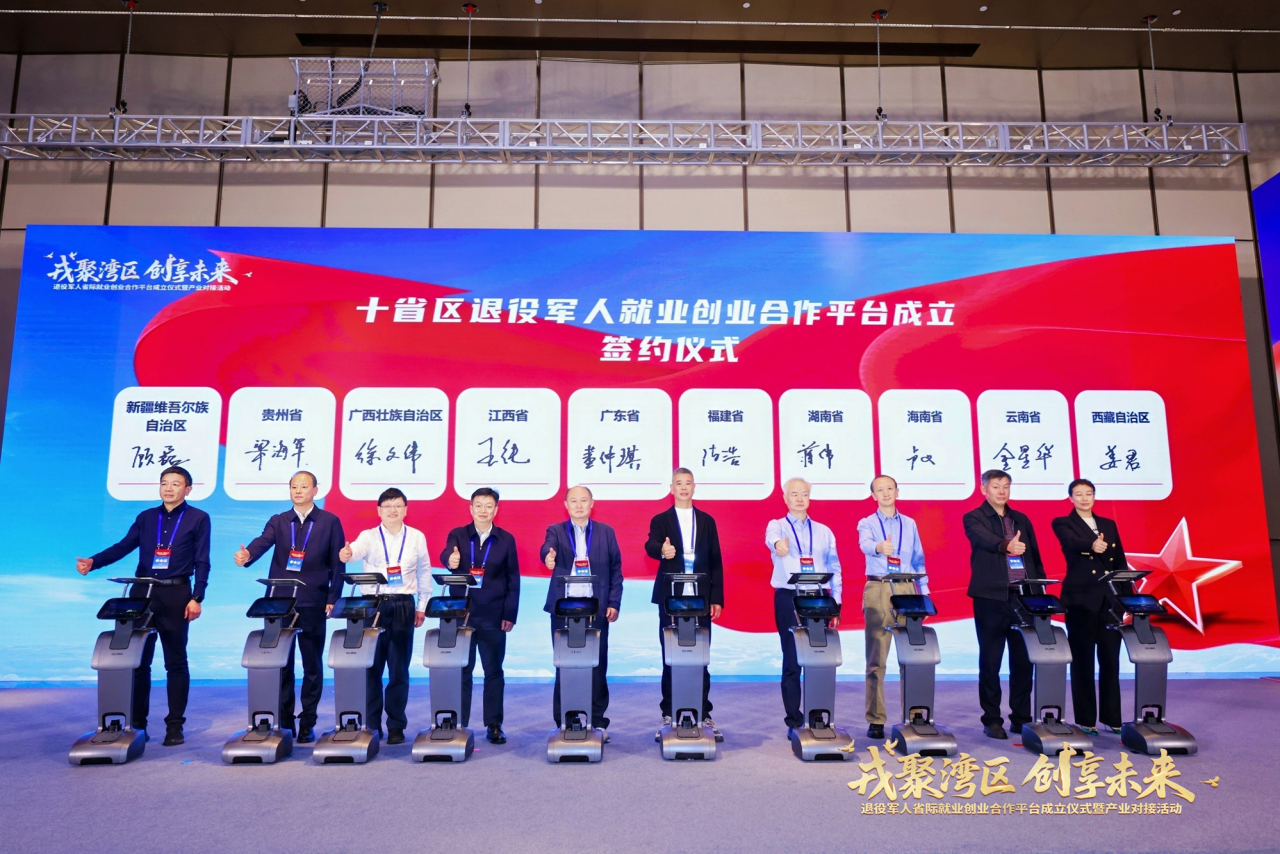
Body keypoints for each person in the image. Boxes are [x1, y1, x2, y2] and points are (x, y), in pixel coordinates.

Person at [76, 465, 210, 746]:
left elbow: (202, 560)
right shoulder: (146, 517)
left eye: (175, 484)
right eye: (164, 483)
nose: (169, 488)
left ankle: (175, 727)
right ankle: (138, 726)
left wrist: (197, 597)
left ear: (187, 489)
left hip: (176, 594)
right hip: (142, 594)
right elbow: (123, 546)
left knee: (175, 662)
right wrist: (94, 561)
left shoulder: (198, 518)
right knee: (138, 662)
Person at [234, 471, 345, 744]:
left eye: (303, 486)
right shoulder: (279, 520)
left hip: (313, 600)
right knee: (281, 664)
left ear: (315, 490)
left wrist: (333, 597)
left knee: (311, 665)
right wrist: (248, 554)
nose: (298, 491)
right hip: (279, 603)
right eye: (294, 486)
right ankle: (284, 721)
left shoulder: (330, 521)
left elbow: (337, 563)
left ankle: (308, 722)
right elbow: (262, 542)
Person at [337, 488, 429, 744]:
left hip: (402, 605)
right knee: (371, 668)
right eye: (387, 506)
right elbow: (354, 551)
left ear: (405, 509)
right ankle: (372, 725)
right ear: (379, 511)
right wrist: (347, 554)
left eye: (397, 505)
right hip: (372, 607)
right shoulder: (368, 536)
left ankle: (397, 726)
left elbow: (424, 572)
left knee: (399, 670)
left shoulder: (416, 537)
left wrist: (422, 606)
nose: (392, 510)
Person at [962, 469, 1045, 740]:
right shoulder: (974, 517)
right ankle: (992, 719)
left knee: (1023, 661)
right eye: (996, 486)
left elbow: (1034, 558)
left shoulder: (1021, 519)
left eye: (1006, 486)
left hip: (1022, 598)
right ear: (984, 489)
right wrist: (1006, 545)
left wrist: (1039, 593)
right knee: (991, 661)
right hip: (991, 598)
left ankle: (1021, 718)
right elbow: (982, 539)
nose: (1001, 491)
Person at [644, 467, 724, 739]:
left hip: (701, 597)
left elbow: (716, 560)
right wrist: (661, 550)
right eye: (678, 483)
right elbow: (650, 545)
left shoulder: (707, 520)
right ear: (671, 488)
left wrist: (717, 598)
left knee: (701, 657)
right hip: (671, 597)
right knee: (671, 657)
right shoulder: (661, 519)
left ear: (694, 487)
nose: (683, 487)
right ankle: (668, 713)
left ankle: (703, 713)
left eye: (688, 483)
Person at [539, 485, 624, 740]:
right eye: (573, 501)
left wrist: (614, 602)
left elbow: (616, 569)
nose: (578, 505)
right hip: (564, 608)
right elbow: (547, 548)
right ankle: (564, 721)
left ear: (591, 503)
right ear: (566, 505)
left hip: (596, 608)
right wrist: (548, 557)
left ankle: (598, 722)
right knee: (564, 665)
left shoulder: (606, 532)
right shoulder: (556, 530)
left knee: (597, 666)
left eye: (583, 500)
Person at [439, 487, 520, 744]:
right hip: (461, 614)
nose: (483, 510)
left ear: (496, 510)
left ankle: (494, 724)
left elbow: (513, 579)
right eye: (478, 505)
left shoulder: (506, 539)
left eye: (488, 506)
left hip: (493, 615)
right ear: (471, 508)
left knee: (493, 671)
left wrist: (510, 613)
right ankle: (458, 722)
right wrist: (450, 561)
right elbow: (446, 555)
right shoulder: (458, 534)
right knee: (462, 669)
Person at [765, 477, 842, 734]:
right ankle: (794, 721)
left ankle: (818, 715)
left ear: (809, 497)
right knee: (792, 660)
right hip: (789, 597)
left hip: (818, 597)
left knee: (819, 658)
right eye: (794, 494)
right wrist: (779, 546)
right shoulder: (777, 526)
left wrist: (837, 601)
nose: (800, 498)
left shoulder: (824, 531)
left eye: (804, 494)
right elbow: (772, 540)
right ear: (785, 498)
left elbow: (834, 568)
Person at [1051, 478, 1127, 736]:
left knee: (1110, 661)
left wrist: (1127, 598)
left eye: (1089, 493)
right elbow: (1071, 542)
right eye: (1079, 494)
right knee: (1082, 662)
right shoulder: (1063, 523)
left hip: (1109, 601)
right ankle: (1086, 720)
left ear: (1094, 496)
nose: (1084, 498)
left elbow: (1120, 562)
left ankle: (1112, 718)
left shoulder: (1108, 524)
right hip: (1080, 600)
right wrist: (1092, 544)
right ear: (1070, 498)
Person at [856, 474, 928, 740]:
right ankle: (876, 719)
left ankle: (915, 714)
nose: (885, 493)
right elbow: (864, 545)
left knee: (912, 655)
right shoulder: (867, 522)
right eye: (880, 490)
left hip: (907, 587)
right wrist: (878, 547)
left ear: (898, 491)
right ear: (873, 495)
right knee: (877, 658)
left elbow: (918, 560)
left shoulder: (910, 523)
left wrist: (923, 592)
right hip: (879, 588)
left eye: (890, 488)